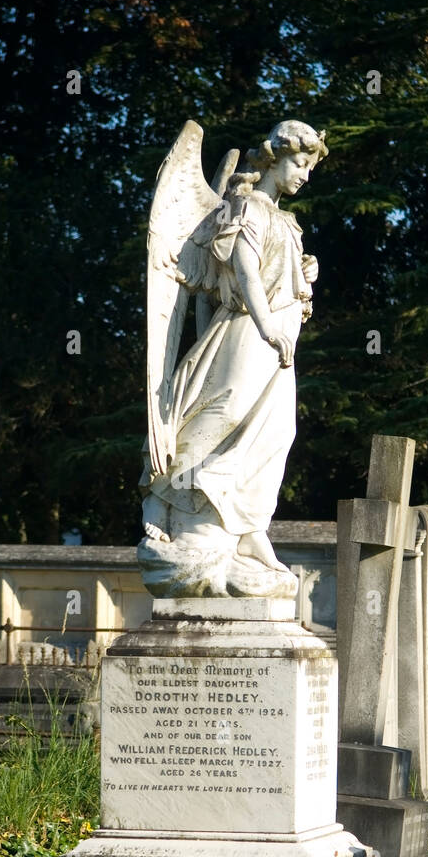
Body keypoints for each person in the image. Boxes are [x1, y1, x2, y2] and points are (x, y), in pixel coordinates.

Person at [139, 119, 328, 597]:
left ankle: (248, 530)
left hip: (279, 340)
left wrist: (303, 278)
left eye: (309, 167)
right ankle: (164, 498)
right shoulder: (244, 205)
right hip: (247, 333)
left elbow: (277, 278)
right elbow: (243, 270)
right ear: (272, 158)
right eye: (299, 163)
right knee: (222, 412)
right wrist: (266, 325)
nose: (304, 174)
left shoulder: (286, 221)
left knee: (277, 431)